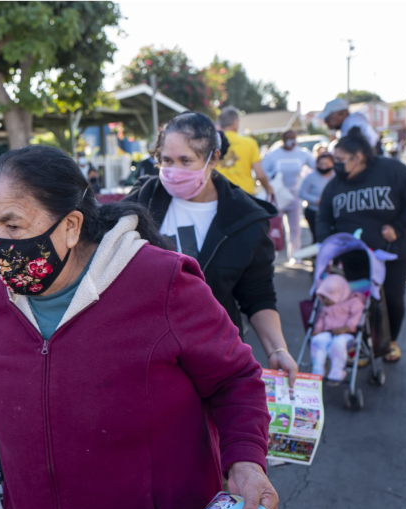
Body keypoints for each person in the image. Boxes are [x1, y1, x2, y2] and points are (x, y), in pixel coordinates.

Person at [0, 145, 277, 509]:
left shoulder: (161, 282)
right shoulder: (0, 292)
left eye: (14, 226)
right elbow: (36, 367)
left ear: (72, 226)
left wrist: (246, 460)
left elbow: (235, 377)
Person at [128, 112, 298, 386]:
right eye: (167, 160)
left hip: (212, 359)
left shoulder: (246, 220)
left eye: (186, 161)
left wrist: (277, 350)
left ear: (213, 159)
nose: (173, 171)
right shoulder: (142, 199)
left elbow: (258, 295)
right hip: (145, 355)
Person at [316, 127, 406, 362]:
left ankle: (390, 342)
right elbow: (323, 216)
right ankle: (364, 344)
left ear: (359, 157)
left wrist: (398, 227)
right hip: (354, 257)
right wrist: (327, 245)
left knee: (392, 300)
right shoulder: (335, 185)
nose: (334, 164)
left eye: (340, 160)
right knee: (359, 301)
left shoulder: (392, 170)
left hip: (393, 253)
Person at [262, 131, 315, 258]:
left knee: (295, 227)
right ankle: (273, 254)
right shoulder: (273, 155)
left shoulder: (302, 153)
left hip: (295, 196)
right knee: (275, 225)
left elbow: (316, 167)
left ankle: (295, 254)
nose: (292, 141)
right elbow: (263, 172)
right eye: (289, 138)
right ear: (283, 139)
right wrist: (272, 177)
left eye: (294, 138)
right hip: (278, 196)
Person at [310, 274, 365, 385]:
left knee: (338, 344)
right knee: (317, 341)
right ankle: (318, 370)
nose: (324, 300)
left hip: (347, 334)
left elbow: (357, 318)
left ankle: (337, 371)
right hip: (328, 332)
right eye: (322, 297)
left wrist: (346, 328)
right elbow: (321, 318)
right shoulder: (326, 305)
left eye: (327, 296)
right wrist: (318, 329)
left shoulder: (354, 302)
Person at [215, 106, 272, 196]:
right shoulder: (250, 143)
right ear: (235, 121)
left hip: (220, 195)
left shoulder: (214, 144)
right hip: (245, 196)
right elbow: (260, 174)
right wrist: (268, 188)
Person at [299, 152, 335, 243]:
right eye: (321, 164)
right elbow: (302, 193)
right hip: (314, 211)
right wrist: (315, 200)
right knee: (318, 236)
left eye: (327, 164)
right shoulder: (311, 177)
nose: (324, 167)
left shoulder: (336, 176)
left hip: (332, 211)